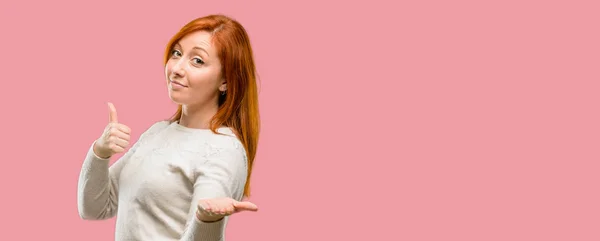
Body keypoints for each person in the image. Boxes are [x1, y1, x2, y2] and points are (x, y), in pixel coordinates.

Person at [77, 14, 261, 241]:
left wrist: (207, 220)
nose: (177, 68)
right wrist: (100, 152)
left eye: (198, 61)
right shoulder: (158, 132)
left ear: (226, 81)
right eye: (177, 53)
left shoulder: (223, 149)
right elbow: (95, 208)